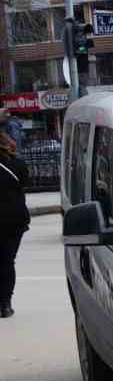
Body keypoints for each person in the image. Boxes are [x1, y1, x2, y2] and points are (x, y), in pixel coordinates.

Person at [0, 131, 29, 320]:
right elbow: (25, 184)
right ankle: (5, 304)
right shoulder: (18, 164)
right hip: (14, 220)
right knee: (7, 261)